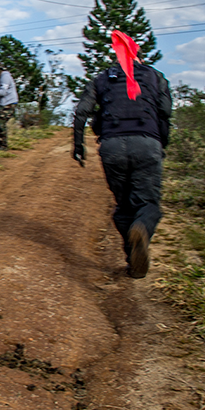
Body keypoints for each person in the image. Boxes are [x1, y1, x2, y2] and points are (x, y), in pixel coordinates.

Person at [72, 31, 172, 279]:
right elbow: (166, 113)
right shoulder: (155, 77)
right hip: (147, 145)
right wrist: (163, 144)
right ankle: (141, 231)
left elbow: (81, 112)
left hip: (112, 147)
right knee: (148, 205)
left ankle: (133, 260)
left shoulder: (102, 79)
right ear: (137, 53)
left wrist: (78, 145)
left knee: (124, 207)